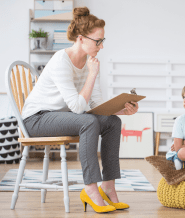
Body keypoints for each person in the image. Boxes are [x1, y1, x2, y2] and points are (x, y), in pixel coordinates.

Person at [22, 7, 136, 213]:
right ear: (81, 39)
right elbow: (77, 107)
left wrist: (121, 110)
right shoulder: (61, 61)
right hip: (36, 119)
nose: (101, 46)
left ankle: (108, 186)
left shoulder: (90, 62)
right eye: (97, 41)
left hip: (62, 117)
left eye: (103, 41)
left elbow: (96, 106)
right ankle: (90, 189)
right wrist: (91, 75)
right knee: (88, 121)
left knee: (112, 123)